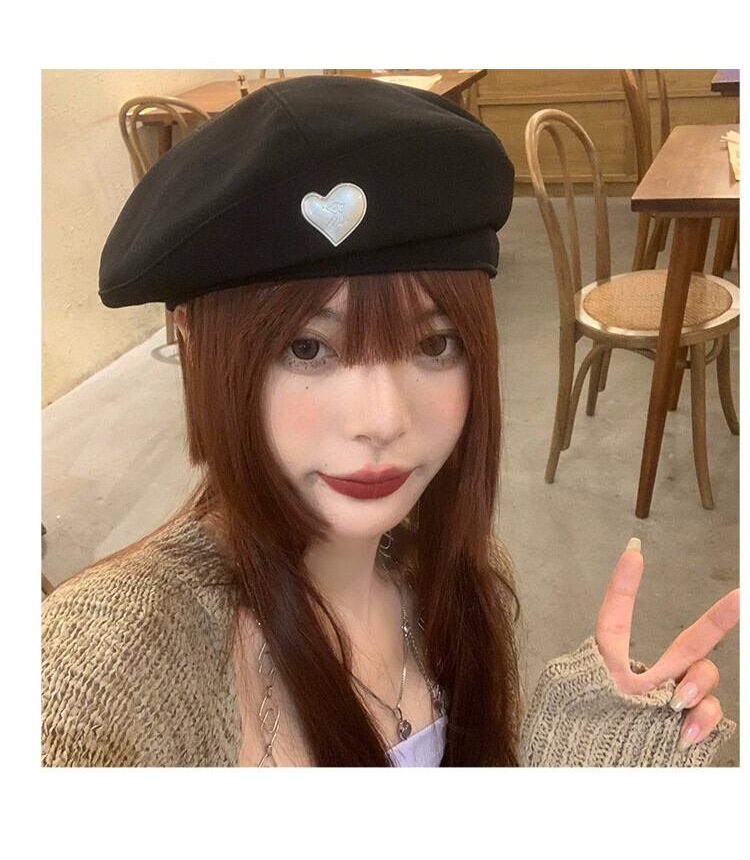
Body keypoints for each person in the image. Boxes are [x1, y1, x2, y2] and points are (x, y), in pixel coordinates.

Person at [42, 74, 739, 766]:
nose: (382, 420)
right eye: (306, 347)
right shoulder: (113, 661)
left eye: (434, 344)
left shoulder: (455, 574)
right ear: (195, 348)